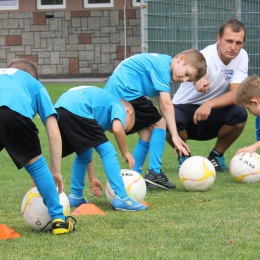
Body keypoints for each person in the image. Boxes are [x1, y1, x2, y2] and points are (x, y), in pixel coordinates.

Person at [104, 49, 207, 189]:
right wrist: (175, 136)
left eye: (189, 80)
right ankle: (155, 172)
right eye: (187, 74)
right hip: (124, 92)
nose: (184, 80)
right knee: (161, 124)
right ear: (181, 59)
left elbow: (161, 103)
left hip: (117, 94)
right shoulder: (162, 67)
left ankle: (135, 176)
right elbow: (165, 104)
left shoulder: (161, 63)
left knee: (147, 133)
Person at [0, 58, 75, 235]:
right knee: (36, 165)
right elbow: (54, 132)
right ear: (33, 77)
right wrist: (55, 171)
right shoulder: (35, 85)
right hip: (13, 113)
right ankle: (58, 220)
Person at [166, 19, 248, 172]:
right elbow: (203, 72)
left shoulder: (242, 56)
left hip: (211, 113)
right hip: (184, 112)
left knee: (239, 112)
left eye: (238, 43)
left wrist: (209, 104)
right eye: (229, 41)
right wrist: (201, 80)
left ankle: (216, 156)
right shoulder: (205, 56)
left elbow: (237, 93)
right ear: (218, 38)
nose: (233, 47)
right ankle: (184, 157)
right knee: (166, 118)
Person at [54, 86, 147, 211]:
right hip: (78, 107)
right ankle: (122, 197)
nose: (117, 132)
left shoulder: (99, 111)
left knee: (83, 154)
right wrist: (125, 152)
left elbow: (87, 148)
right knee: (108, 151)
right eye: (126, 128)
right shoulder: (118, 105)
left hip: (60, 108)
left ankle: (76, 196)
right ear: (128, 112)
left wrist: (92, 178)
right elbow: (117, 129)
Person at [234, 75, 260, 154]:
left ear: (254, 102)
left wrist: (254, 146)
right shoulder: (258, 118)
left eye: (248, 108)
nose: (250, 113)